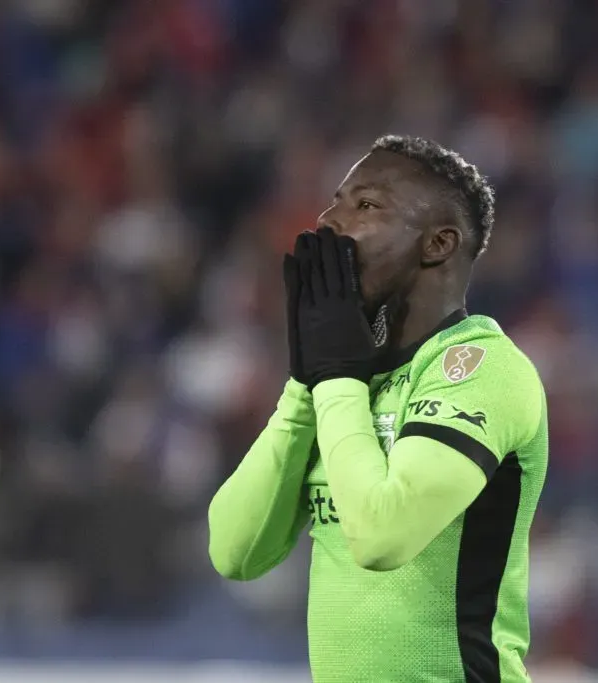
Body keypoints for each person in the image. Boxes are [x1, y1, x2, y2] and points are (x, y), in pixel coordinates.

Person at [208, 135, 548, 682]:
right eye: (334, 201)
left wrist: (336, 376)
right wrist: (306, 383)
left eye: (365, 206)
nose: (329, 222)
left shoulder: (482, 368)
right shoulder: (344, 384)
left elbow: (383, 537)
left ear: (437, 244)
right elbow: (235, 552)